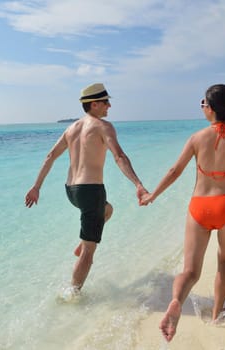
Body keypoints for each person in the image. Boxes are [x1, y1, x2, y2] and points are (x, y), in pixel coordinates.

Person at [140, 84, 225, 342]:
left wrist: (152, 196)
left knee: (190, 271)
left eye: (203, 102)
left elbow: (174, 171)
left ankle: (175, 303)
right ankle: (216, 314)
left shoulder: (197, 138)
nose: (202, 107)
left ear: (211, 108)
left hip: (199, 208)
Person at [25, 83, 148, 294]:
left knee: (107, 210)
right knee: (89, 253)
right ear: (94, 104)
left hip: (71, 191)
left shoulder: (71, 128)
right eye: (105, 102)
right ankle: (73, 293)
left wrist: (36, 187)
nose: (109, 106)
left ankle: (83, 244)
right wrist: (138, 184)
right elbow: (119, 156)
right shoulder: (103, 126)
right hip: (90, 191)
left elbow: (50, 156)